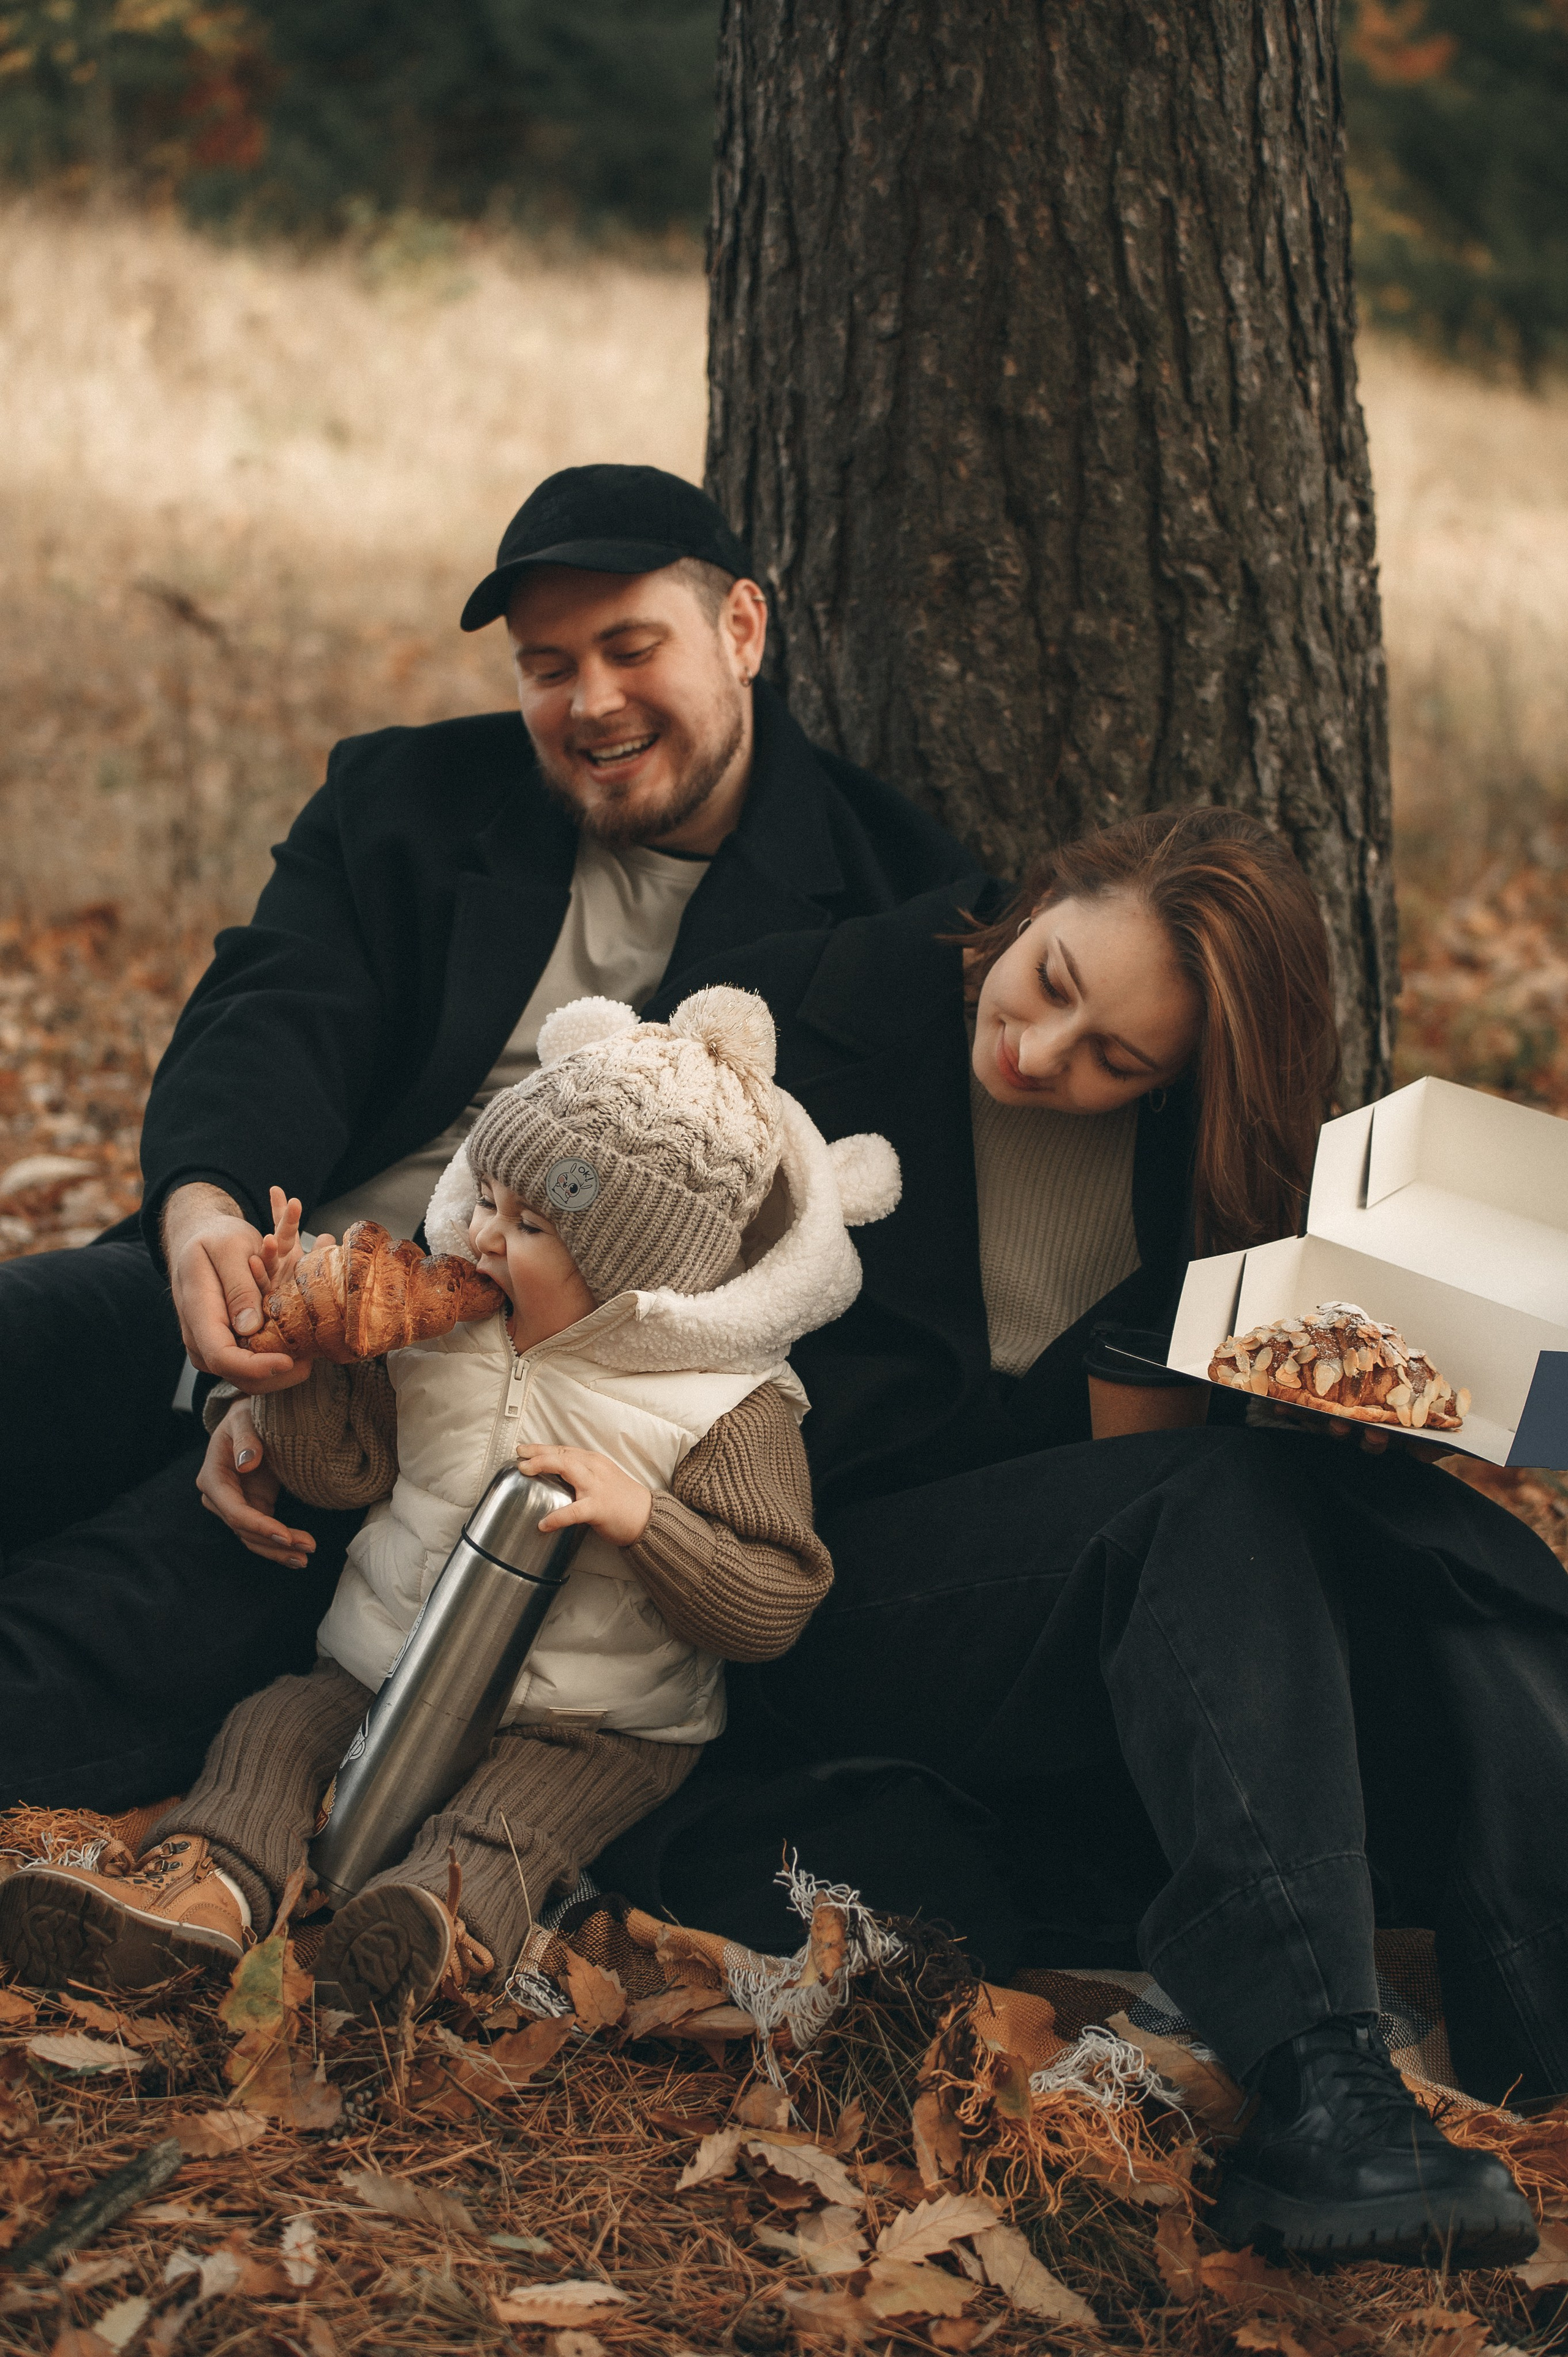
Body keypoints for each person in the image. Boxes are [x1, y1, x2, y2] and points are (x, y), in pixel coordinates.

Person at [630, 806, 1556, 2267]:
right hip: (791, 1584)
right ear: (1043, 893)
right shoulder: (789, 1010)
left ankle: (1434, 2054)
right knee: (1213, 1514)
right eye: (1050, 981)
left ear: (1179, 1073)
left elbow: (1141, 1489)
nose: (1040, 1055)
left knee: (1399, 1548)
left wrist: (1344, 1394)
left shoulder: (1203, 1165)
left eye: (1115, 1059)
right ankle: (1321, 2071)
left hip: (1053, 1620)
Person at [0, 462, 974, 1808]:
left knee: (75, 1643)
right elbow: (273, 1009)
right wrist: (203, 1216)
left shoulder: (893, 900)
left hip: (436, 1448)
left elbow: (856, 1289)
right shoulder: (406, 798)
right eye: (547, 665)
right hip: (264, 1280)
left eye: (632, 648)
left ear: (742, 630)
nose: (591, 703)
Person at [0, 985, 901, 2019]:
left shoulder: (722, 1407)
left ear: (633, 1271)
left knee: (507, 1825)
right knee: (271, 1732)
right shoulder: (439, 1336)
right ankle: (196, 1896)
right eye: (487, 1198)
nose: (480, 1235)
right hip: (385, 1661)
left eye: (527, 1225)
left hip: (598, 1721)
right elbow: (343, 1475)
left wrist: (648, 1520)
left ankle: (429, 1937)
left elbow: (776, 1600)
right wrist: (306, 1369)